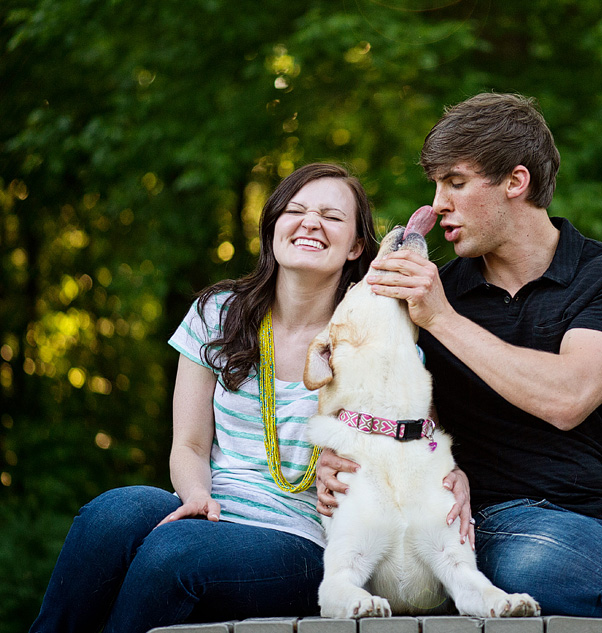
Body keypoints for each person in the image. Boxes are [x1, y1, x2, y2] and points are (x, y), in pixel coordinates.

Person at [315, 94, 602, 633]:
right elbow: (383, 400)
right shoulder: (437, 296)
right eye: (436, 185)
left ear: (516, 181)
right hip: (500, 519)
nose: (438, 204)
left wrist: (442, 318)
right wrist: (335, 458)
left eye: (456, 183)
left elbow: (568, 398)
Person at [30, 163, 377, 633]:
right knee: (110, 515)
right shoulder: (218, 314)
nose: (310, 221)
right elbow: (190, 445)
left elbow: (410, 434)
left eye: (332, 217)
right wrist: (196, 495)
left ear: (356, 245)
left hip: (306, 539)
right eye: (295, 210)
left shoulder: (372, 335)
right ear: (273, 226)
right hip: (214, 509)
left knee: (172, 554)